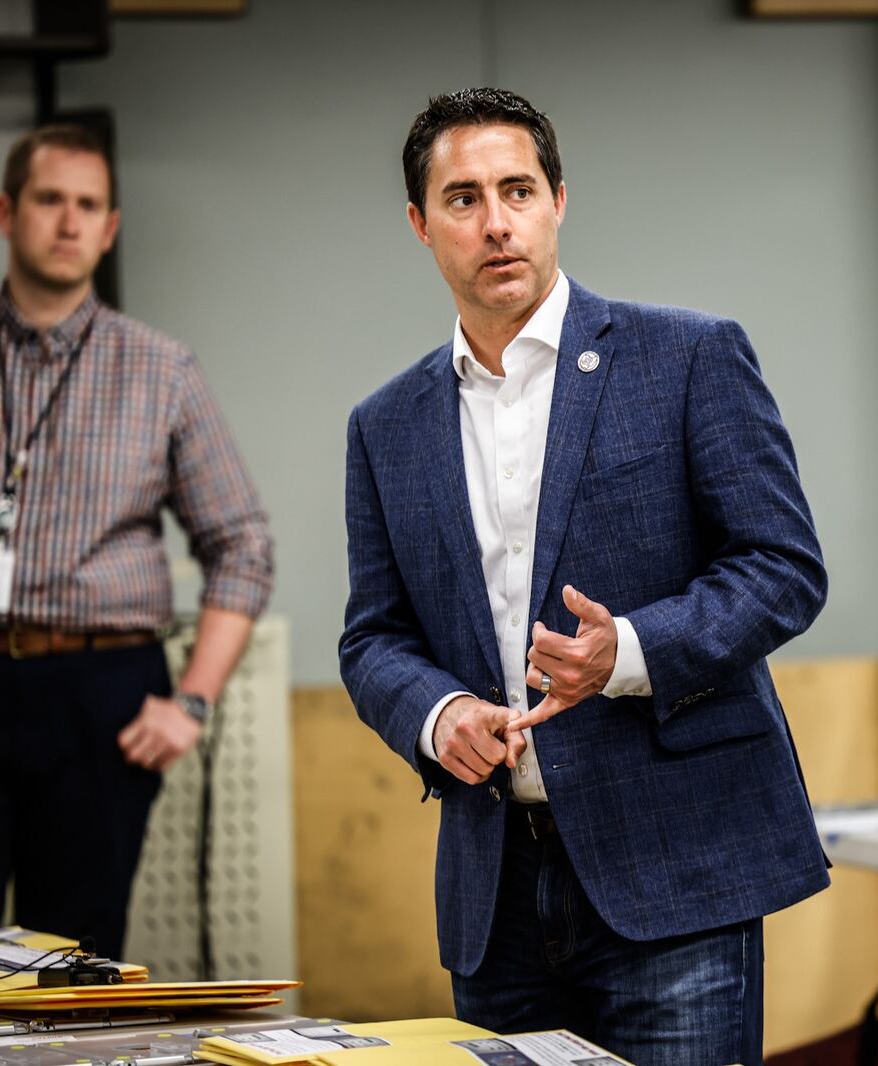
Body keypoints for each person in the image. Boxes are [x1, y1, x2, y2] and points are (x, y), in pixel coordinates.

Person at [340, 87, 829, 1065]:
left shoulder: (687, 356)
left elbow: (783, 567)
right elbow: (373, 637)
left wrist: (630, 652)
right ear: (419, 225)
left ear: (558, 199)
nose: (496, 222)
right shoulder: (384, 423)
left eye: (517, 190)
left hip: (675, 872)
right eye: (464, 199)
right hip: (497, 888)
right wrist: (439, 716)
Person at [0, 124, 273, 958]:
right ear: (6, 211)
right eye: (49, 200)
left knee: (75, 960)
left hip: (102, 693)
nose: (68, 222)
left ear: (110, 228)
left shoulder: (162, 368)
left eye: (88, 205)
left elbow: (242, 544)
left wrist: (193, 702)